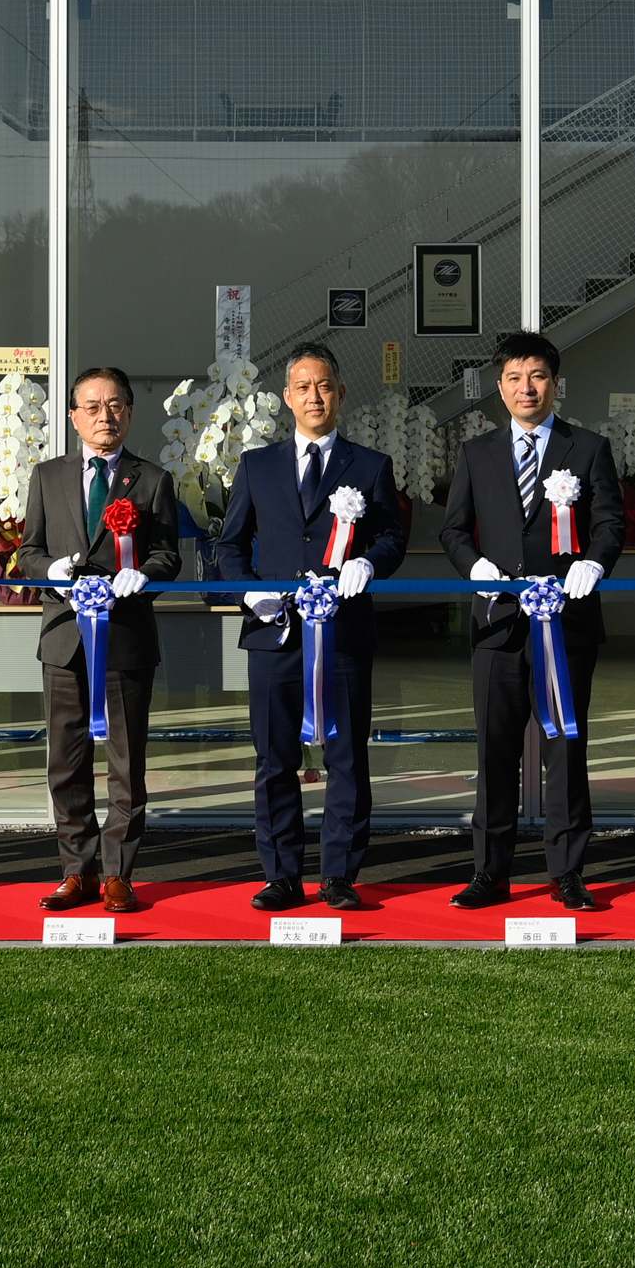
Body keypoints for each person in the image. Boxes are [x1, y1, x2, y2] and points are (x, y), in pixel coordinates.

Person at [212, 344, 406, 912]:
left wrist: (369, 563)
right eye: (302, 387)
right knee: (275, 758)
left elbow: (391, 538)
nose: (314, 397)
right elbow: (229, 545)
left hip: (343, 633)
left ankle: (340, 874)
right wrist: (249, 591)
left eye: (323, 386)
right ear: (287, 398)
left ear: (340, 393)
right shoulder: (257, 464)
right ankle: (282, 874)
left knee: (347, 757)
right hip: (274, 634)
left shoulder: (369, 465)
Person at [438, 332, 625, 914]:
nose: (527, 388)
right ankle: (489, 871)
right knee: (494, 752)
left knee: (565, 749)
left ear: (555, 384)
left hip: (566, 625)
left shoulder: (587, 447)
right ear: (500, 387)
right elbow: (452, 529)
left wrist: (595, 562)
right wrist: (476, 567)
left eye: (538, 376)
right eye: (516, 378)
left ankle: (567, 872)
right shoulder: (477, 452)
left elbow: (611, 522)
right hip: (497, 626)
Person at [17, 365, 181, 916]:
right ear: (73, 416)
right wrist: (52, 570)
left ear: (129, 412)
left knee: (126, 762)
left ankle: (117, 873)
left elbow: (167, 556)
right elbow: (28, 552)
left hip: (125, 637)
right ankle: (76, 870)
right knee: (65, 760)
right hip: (64, 639)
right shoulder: (48, 476)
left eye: (114, 406)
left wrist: (144, 574)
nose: (104, 416)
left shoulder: (152, 479)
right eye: (91, 406)